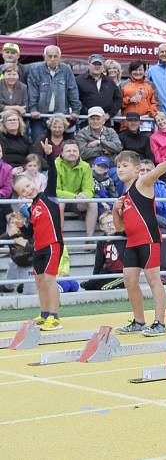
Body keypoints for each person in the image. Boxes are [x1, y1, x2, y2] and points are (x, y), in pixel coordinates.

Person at [112, 150, 166, 336]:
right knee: (129, 280)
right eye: (118, 166)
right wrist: (114, 210)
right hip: (132, 242)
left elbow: (155, 172)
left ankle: (160, 323)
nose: (120, 169)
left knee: (153, 280)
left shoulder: (142, 183)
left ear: (136, 169)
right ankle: (139, 321)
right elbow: (119, 228)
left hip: (148, 239)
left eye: (125, 165)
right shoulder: (123, 195)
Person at [13, 139, 62, 329]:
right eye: (23, 190)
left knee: (50, 280)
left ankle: (54, 316)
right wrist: (22, 227)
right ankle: (44, 313)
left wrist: (50, 155)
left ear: (34, 182)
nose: (28, 189)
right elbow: (31, 232)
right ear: (21, 194)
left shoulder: (47, 195)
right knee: (39, 280)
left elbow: (54, 174)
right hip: (39, 247)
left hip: (52, 245)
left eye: (28, 185)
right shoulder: (31, 207)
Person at [26, 45, 80, 141]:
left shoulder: (66, 70)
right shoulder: (35, 70)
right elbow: (32, 92)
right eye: (50, 56)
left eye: (55, 56)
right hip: (40, 116)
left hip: (61, 116)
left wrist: (76, 110)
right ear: (44, 56)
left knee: (60, 146)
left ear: (60, 57)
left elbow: (73, 91)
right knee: (38, 144)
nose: (52, 59)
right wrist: (33, 109)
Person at [55, 141, 98, 238]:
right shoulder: (55, 165)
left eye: (75, 150)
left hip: (78, 201)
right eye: (68, 151)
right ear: (61, 153)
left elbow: (89, 189)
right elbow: (55, 190)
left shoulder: (86, 166)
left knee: (93, 204)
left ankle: (89, 238)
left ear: (79, 152)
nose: (72, 153)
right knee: (60, 203)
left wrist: (84, 195)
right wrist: (74, 196)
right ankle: (59, 239)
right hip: (60, 200)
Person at [80, 211, 126, 291]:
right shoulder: (101, 242)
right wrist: (94, 278)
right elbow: (98, 263)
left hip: (122, 273)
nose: (110, 225)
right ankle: (91, 283)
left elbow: (127, 230)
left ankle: (123, 283)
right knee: (90, 285)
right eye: (107, 223)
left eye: (112, 222)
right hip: (109, 272)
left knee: (104, 287)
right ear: (101, 227)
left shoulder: (122, 236)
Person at [76, 54, 122, 119]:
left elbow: (118, 100)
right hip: (85, 120)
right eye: (94, 64)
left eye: (99, 64)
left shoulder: (110, 82)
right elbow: (74, 99)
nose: (97, 66)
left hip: (105, 121)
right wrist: (87, 112)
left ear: (103, 66)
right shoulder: (79, 80)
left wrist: (109, 114)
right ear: (89, 65)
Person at [1, 211, 35, 294]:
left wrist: (25, 244)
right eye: (12, 222)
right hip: (15, 263)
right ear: (8, 225)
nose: (15, 224)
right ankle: (10, 286)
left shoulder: (27, 232)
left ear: (23, 222)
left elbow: (37, 249)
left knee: (29, 293)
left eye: (17, 222)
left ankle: (22, 284)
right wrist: (8, 234)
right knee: (7, 286)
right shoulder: (9, 235)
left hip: (29, 265)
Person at [120, 60, 158, 128]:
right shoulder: (123, 85)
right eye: (135, 70)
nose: (138, 72)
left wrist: (150, 114)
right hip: (127, 124)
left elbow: (156, 103)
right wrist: (129, 100)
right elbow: (117, 103)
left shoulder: (151, 85)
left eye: (140, 70)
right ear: (130, 71)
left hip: (146, 123)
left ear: (144, 71)